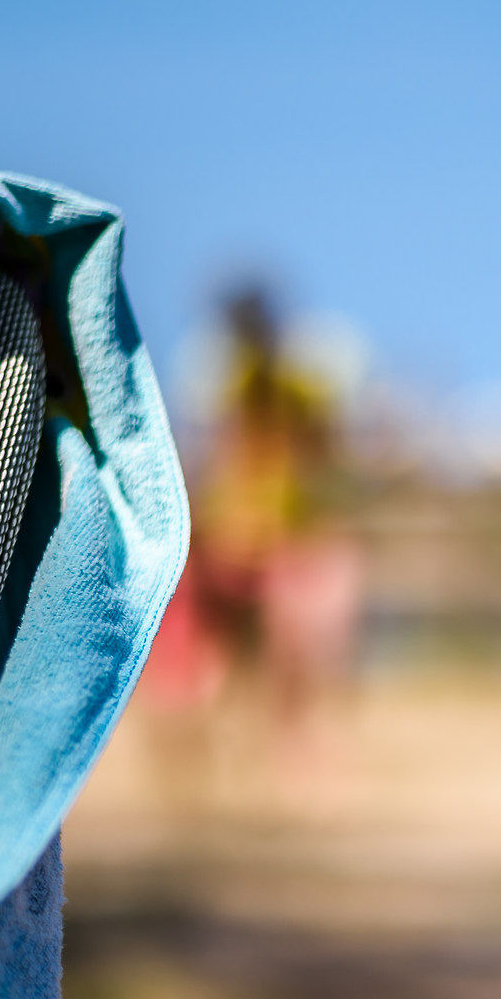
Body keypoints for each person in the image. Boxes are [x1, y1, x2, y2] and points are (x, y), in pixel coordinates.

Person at [141, 285, 361, 782]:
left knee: (279, 664)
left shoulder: (292, 387)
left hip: (268, 543)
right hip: (232, 543)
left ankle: (283, 768)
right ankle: (227, 769)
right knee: (203, 669)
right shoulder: (230, 383)